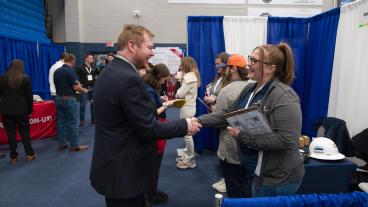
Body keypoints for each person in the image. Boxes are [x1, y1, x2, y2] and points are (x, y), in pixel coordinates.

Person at [89, 24, 201, 207]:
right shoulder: (128, 78)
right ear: (132, 45)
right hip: (124, 172)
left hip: (113, 165)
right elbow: (149, 127)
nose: (152, 53)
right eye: (149, 47)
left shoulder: (110, 72)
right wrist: (184, 125)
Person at [196, 43, 304, 197]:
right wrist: (199, 121)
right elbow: (228, 113)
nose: (248, 64)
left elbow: (287, 140)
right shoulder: (250, 89)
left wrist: (243, 137)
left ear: (270, 68)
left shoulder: (284, 95)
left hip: (277, 178)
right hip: (253, 169)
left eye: (254, 61)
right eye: (250, 59)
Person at [211, 54, 252, 197]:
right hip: (252, 149)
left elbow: (219, 119)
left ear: (233, 69)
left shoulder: (226, 91)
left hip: (231, 150)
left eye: (227, 66)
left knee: (235, 191)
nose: (224, 70)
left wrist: (211, 115)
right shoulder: (253, 86)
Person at [143, 63, 175, 204]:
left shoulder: (150, 88)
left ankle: (151, 192)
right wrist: (166, 105)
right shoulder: (149, 90)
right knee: (153, 165)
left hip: (155, 128)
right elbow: (153, 113)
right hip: (155, 128)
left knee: (154, 164)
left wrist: (160, 100)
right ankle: (151, 194)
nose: (165, 82)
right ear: (159, 77)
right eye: (164, 79)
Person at [0, 59, 37, 164]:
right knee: (25, 133)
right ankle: (30, 154)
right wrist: (30, 110)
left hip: (6, 110)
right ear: (21, 67)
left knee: (10, 134)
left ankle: (13, 157)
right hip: (22, 110)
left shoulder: (1, 78)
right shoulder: (25, 78)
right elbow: (29, 96)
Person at [54, 53, 89, 152]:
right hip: (69, 99)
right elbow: (76, 87)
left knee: (61, 122)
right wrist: (84, 90)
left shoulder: (57, 71)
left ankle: (62, 143)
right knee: (73, 122)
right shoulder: (70, 71)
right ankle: (74, 145)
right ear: (73, 61)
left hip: (58, 99)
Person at [175, 56, 201, 170]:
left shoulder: (188, 77)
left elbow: (179, 94)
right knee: (188, 134)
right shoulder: (193, 75)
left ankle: (190, 160)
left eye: (182, 64)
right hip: (190, 107)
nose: (180, 66)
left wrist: (179, 80)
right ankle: (188, 155)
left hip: (187, 108)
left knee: (187, 135)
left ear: (185, 65)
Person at [75, 53, 99, 125]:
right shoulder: (80, 67)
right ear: (86, 59)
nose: (92, 59)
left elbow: (100, 74)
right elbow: (75, 77)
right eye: (91, 58)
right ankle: (82, 120)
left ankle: (93, 120)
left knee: (93, 104)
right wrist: (79, 84)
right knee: (83, 104)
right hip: (84, 88)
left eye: (92, 58)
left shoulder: (94, 67)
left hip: (93, 87)